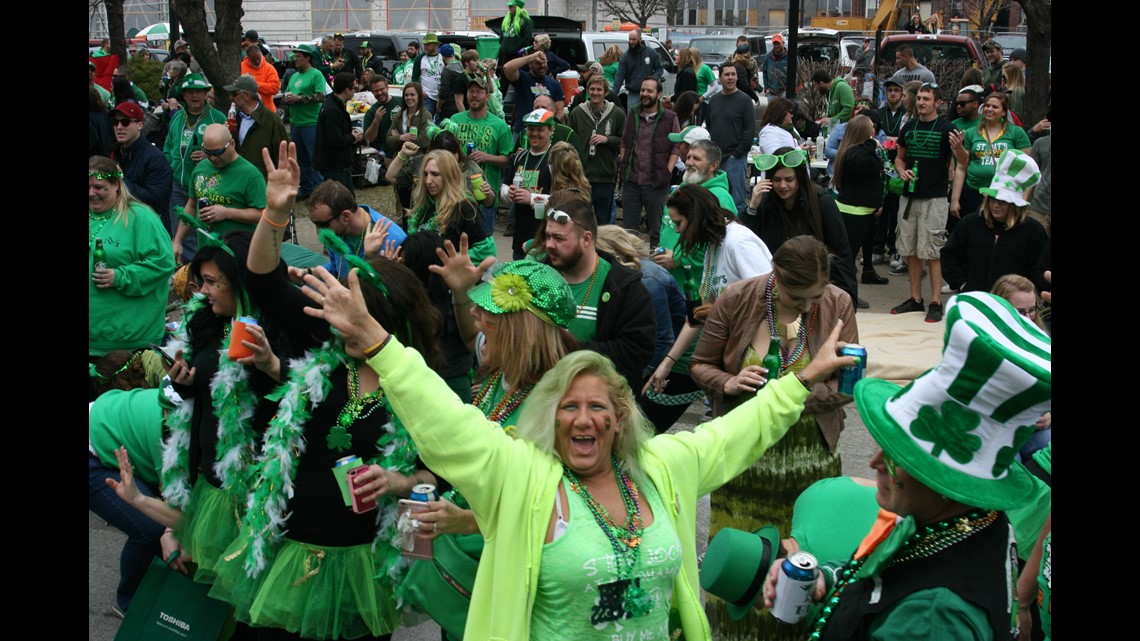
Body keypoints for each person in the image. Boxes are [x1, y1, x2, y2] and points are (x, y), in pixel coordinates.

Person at [302, 227, 857, 640]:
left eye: (599, 407)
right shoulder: (522, 476)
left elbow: (737, 432)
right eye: (570, 407)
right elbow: (447, 419)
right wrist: (378, 343)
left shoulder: (663, 467)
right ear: (550, 416)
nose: (585, 419)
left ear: (620, 418)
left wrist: (802, 379)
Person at [210, 141, 444, 641]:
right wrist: (275, 214)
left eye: (356, 317)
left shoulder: (419, 386)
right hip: (290, 547)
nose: (343, 324)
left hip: (362, 563)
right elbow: (264, 279)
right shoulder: (325, 346)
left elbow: (440, 471)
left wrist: (402, 483)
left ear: (387, 324)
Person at [760, 291, 1049, 641]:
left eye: (899, 457)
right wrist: (827, 579)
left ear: (947, 480)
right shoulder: (967, 522)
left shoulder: (931, 619)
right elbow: (890, 572)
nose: (874, 462)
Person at [691, 234, 858, 639]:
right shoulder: (737, 297)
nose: (807, 307)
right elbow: (699, 365)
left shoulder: (837, 304)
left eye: (814, 297)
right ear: (776, 277)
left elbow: (849, 384)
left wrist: (792, 392)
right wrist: (730, 383)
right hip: (744, 454)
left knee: (805, 562)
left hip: (810, 462)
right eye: (797, 297)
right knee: (744, 565)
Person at [642, 185, 773, 434]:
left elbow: (770, 301)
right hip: (732, 354)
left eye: (679, 223)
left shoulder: (739, 242)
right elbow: (698, 314)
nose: (678, 232)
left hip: (754, 358)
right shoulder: (714, 246)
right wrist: (667, 363)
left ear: (697, 216)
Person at [534, 190, 657, 389]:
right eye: (548, 236)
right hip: (543, 398)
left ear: (586, 239)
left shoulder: (624, 288)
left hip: (598, 404)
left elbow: (636, 352)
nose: (549, 245)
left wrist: (573, 349)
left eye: (559, 238)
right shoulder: (537, 278)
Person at [90, 371, 183, 618]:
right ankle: (130, 604)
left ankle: (165, 590)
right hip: (95, 450)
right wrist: (169, 531)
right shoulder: (169, 433)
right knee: (151, 529)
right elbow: (175, 509)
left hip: (116, 435)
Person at [88, 156, 178, 400]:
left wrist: (120, 276)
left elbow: (163, 263)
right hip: (91, 340)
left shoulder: (140, 217)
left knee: (119, 418)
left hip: (126, 345)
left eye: (99, 188)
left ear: (117, 184)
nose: (92, 194)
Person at [741, 147, 858, 308]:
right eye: (776, 179)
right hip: (779, 293)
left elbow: (841, 251)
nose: (782, 185)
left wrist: (849, 297)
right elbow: (748, 247)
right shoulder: (765, 204)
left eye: (789, 179)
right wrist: (752, 207)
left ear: (800, 178)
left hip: (815, 292)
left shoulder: (822, 202)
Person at [890, 83, 961, 322]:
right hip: (909, 197)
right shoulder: (908, 127)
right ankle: (915, 299)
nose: (921, 102)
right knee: (909, 250)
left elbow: (962, 161)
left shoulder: (947, 128)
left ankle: (935, 302)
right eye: (919, 98)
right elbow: (899, 159)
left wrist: (960, 149)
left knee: (933, 251)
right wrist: (901, 171)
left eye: (926, 99)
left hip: (935, 197)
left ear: (937, 103)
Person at [942, 150, 1046, 295]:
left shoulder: (1033, 230)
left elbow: (1039, 269)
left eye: (1003, 201)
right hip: (975, 299)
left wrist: (1026, 294)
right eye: (992, 199)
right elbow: (949, 255)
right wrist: (962, 284)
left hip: (1012, 305)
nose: (995, 205)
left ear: (1014, 204)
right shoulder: (970, 223)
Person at [595, 225, 686, 379]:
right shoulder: (625, 273)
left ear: (613, 254)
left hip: (677, 362)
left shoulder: (648, 280)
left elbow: (663, 338)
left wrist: (642, 374)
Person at [173, 124, 267, 264]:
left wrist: (227, 213)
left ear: (232, 144)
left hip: (238, 256)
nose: (213, 158)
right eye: (207, 152)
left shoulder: (251, 175)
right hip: (206, 255)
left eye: (218, 152)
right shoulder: (201, 168)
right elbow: (192, 206)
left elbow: (264, 215)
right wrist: (178, 240)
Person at [446, 73, 515, 232]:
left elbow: (508, 160)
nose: (474, 95)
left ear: (487, 96)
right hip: (456, 193)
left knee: (483, 244)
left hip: (485, 195)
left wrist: (486, 157)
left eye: (479, 91)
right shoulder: (455, 120)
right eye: (471, 92)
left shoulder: (499, 125)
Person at [303, 178, 407, 282]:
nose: (319, 231)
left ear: (345, 216)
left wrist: (369, 257)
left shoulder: (392, 241)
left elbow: (386, 290)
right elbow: (337, 270)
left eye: (323, 224)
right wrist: (308, 273)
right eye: (315, 224)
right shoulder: (338, 232)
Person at [163, 73, 226, 243]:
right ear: (183, 95)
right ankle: (184, 267)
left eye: (198, 91)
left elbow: (228, 150)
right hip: (177, 185)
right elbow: (168, 146)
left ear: (206, 94)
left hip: (204, 185)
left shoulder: (217, 118)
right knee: (180, 233)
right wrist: (171, 167)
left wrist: (209, 154)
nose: (194, 96)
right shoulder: (177, 117)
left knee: (203, 232)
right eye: (189, 92)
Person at [950, 90, 1031, 221]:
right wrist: (955, 200)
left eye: (995, 107)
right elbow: (961, 166)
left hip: (1004, 196)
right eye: (987, 106)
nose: (989, 109)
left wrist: (1022, 201)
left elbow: (1026, 169)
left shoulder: (1016, 132)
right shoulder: (972, 133)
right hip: (974, 192)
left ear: (1004, 112)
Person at [407, 148, 497, 264]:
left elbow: (487, 250)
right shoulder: (425, 206)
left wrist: (451, 261)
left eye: (435, 174)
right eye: (425, 174)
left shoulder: (463, 207)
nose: (428, 181)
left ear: (449, 175)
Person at [620, 77, 680, 247]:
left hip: (656, 182)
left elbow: (676, 147)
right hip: (632, 180)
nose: (644, 94)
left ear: (659, 94)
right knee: (628, 230)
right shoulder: (633, 113)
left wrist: (667, 171)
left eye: (649, 91)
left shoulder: (670, 117)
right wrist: (625, 161)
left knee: (657, 229)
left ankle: (658, 265)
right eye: (643, 90)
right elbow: (624, 141)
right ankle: (630, 265)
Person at [834, 114, 890, 293]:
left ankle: (868, 271)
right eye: (871, 127)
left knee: (867, 244)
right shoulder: (855, 151)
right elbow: (858, 162)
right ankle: (846, 292)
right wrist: (872, 143)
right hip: (854, 210)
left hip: (866, 207)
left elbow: (872, 179)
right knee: (848, 256)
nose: (874, 129)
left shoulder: (860, 149)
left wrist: (877, 202)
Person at [569, 74, 626, 226]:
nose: (595, 93)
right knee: (579, 221)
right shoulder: (577, 113)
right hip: (581, 176)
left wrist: (608, 139)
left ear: (606, 92)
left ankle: (601, 250)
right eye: (592, 89)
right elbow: (569, 142)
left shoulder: (617, 114)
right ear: (587, 91)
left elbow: (625, 141)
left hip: (605, 176)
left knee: (603, 224)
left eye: (599, 90)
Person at [502, 108, 558, 259]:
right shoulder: (520, 156)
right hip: (520, 234)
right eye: (531, 129)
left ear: (550, 130)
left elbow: (564, 198)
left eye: (540, 129)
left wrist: (531, 198)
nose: (534, 133)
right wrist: (509, 193)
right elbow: (505, 186)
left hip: (548, 236)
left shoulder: (556, 159)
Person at [109, 101, 173, 230]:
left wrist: (120, 179)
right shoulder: (115, 152)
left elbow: (155, 200)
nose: (119, 127)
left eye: (125, 122)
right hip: (122, 225)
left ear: (140, 125)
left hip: (148, 229)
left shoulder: (156, 158)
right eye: (115, 123)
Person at [706, 64, 756, 214]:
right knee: (715, 199)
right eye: (727, 74)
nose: (730, 78)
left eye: (733, 74)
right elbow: (709, 126)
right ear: (720, 78)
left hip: (734, 159)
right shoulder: (714, 100)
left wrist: (737, 154)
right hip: (715, 159)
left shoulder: (745, 100)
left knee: (737, 201)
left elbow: (749, 130)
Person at [284, 44, 329, 200]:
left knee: (314, 158)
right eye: (294, 56)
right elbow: (288, 93)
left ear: (307, 58)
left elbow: (321, 96)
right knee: (301, 159)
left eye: (298, 57)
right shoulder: (294, 76)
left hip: (311, 123)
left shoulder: (316, 74)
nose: (295, 59)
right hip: (296, 123)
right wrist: (287, 99)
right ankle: (306, 188)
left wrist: (300, 99)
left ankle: (320, 191)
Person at [227, 74, 289, 181]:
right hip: (238, 180)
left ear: (246, 95)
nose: (231, 98)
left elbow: (282, 155)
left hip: (262, 183)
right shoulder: (234, 118)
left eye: (234, 94)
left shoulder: (271, 120)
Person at [314, 71, 364, 195]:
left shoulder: (333, 103)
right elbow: (335, 140)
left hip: (337, 163)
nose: (355, 91)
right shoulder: (332, 109)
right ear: (347, 90)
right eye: (354, 88)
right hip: (335, 165)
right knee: (340, 200)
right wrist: (354, 137)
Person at [385, 82, 433, 209]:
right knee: (401, 201)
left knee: (417, 201)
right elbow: (389, 139)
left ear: (419, 97)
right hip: (399, 164)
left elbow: (425, 140)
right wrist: (401, 137)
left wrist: (400, 138)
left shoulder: (425, 115)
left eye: (412, 95)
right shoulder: (399, 115)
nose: (409, 98)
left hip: (418, 164)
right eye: (406, 95)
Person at [504, 48, 566, 134]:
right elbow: (507, 68)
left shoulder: (555, 84)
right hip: (522, 131)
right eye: (538, 63)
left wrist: (550, 128)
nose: (542, 66)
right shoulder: (522, 78)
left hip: (545, 133)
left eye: (544, 62)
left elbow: (560, 111)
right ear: (530, 64)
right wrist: (532, 57)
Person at [613, 28, 664, 112]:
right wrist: (613, 94)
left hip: (649, 93)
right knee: (632, 119)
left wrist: (652, 79)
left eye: (634, 39)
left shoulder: (651, 52)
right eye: (630, 39)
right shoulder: (625, 57)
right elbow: (619, 76)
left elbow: (659, 69)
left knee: (650, 117)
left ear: (640, 39)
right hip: (633, 93)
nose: (631, 42)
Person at [410, 32, 444, 117]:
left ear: (435, 45)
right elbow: (414, 78)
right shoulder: (420, 58)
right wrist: (420, 91)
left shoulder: (442, 56)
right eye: (425, 44)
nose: (425, 47)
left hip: (441, 96)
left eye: (428, 44)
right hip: (427, 96)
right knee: (426, 119)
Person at [240, 40, 280, 113]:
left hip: (267, 111)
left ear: (261, 54)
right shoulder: (241, 67)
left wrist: (255, 85)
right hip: (247, 111)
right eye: (254, 60)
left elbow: (275, 88)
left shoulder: (269, 68)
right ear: (248, 58)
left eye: (258, 59)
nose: (257, 62)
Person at [498, 0, 534, 72]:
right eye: (509, 6)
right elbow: (502, 36)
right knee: (504, 79)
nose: (509, 8)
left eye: (512, 6)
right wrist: (503, 47)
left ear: (517, 7)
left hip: (518, 57)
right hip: (505, 57)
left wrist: (515, 49)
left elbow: (527, 38)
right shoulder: (506, 21)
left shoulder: (525, 21)